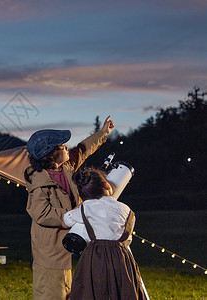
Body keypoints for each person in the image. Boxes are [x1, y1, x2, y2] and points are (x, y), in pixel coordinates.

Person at [24, 116, 114, 300]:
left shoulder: (65, 167)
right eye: (61, 146)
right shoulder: (39, 183)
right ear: (49, 154)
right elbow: (41, 214)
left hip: (68, 246)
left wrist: (102, 133)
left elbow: (82, 149)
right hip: (50, 252)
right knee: (52, 294)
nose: (67, 147)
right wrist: (72, 216)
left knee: (69, 293)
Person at [64, 168, 146, 299]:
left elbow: (67, 219)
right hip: (121, 257)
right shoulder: (126, 209)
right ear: (107, 185)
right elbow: (128, 234)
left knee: (93, 289)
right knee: (123, 289)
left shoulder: (87, 207)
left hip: (95, 257)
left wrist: (79, 208)